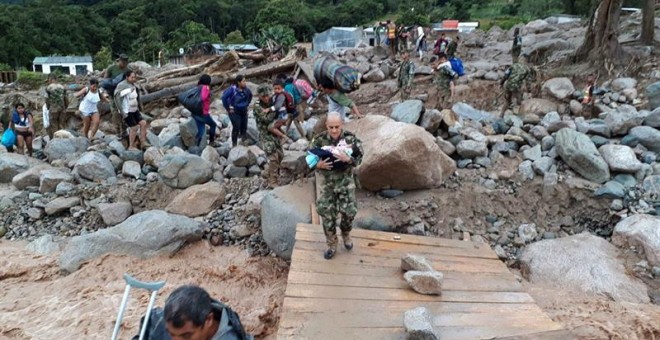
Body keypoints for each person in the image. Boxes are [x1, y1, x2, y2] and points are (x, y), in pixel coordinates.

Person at [310, 111, 364, 260]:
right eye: (331, 127)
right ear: (326, 125)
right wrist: (317, 165)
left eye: (337, 127)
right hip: (327, 184)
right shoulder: (319, 140)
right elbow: (309, 158)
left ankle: (345, 233)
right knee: (327, 215)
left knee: (349, 212)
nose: (334, 130)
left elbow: (359, 158)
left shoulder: (350, 139)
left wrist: (348, 159)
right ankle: (331, 243)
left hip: (345, 183)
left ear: (342, 125)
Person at [133, 285, 252, 340]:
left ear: (208, 320)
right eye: (172, 334)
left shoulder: (229, 338)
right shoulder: (159, 319)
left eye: (186, 336)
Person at [254, 85, 283, 188]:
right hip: (265, 134)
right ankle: (272, 181)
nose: (266, 98)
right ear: (259, 96)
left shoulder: (271, 101)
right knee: (273, 157)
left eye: (267, 96)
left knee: (280, 155)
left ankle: (268, 172)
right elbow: (266, 119)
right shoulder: (257, 106)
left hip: (274, 132)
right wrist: (274, 111)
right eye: (263, 97)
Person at [114, 70, 150, 150]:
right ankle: (131, 146)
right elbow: (117, 98)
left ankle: (143, 142)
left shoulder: (134, 85)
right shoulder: (121, 85)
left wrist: (140, 106)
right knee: (134, 127)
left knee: (143, 123)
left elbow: (137, 97)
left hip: (134, 109)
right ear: (127, 77)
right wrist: (122, 111)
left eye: (135, 77)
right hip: (127, 110)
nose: (134, 79)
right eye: (132, 77)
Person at [222, 75, 252, 147]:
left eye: (245, 81)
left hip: (244, 111)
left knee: (244, 127)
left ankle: (243, 141)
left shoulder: (246, 90)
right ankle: (234, 144)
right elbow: (224, 98)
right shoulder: (232, 90)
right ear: (239, 82)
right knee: (236, 127)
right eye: (243, 81)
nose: (245, 83)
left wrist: (247, 104)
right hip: (234, 112)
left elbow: (250, 95)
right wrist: (228, 109)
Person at [278, 75, 306, 139]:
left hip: (295, 105)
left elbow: (290, 97)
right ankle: (285, 134)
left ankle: (304, 137)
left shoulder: (287, 87)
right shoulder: (291, 85)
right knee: (290, 118)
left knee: (296, 121)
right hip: (297, 103)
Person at [193, 74, 218, 146]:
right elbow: (203, 97)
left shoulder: (197, 87)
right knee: (213, 125)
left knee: (201, 130)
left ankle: (197, 145)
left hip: (196, 111)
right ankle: (211, 142)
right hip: (203, 112)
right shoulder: (205, 87)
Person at [43, 73, 68, 139]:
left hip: (53, 108)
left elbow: (47, 99)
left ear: (51, 79)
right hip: (62, 108)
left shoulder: (48, 88)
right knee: (61, 124)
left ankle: (56, 139)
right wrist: (65, 107)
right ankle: (63, 139)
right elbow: (66, 98)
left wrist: (48, 107)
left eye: (48, 80)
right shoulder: (62, 87)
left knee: (54, 124)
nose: (48, 81)